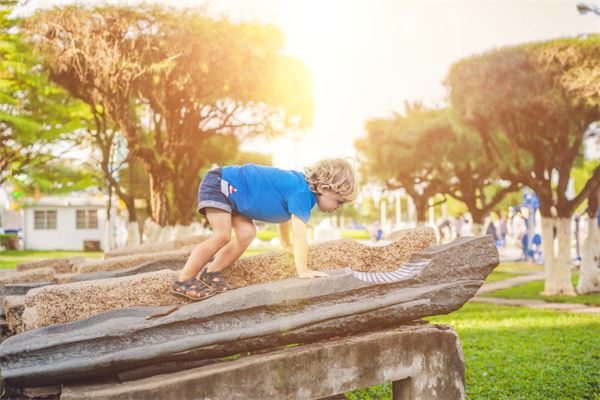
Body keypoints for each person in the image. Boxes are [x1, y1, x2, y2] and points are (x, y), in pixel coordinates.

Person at [171, 159, 358, 300]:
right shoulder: (302, 192)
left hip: (233, 196)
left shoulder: (301, 192)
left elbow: (285, 221)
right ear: (324, 187)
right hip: (221, 185)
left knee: (247, 233)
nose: (338, 207)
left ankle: (211, 273)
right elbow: (300, 233)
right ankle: (184, 279)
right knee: (222, 235)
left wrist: (286, 245)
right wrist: (303, 270)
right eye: (338, 201)